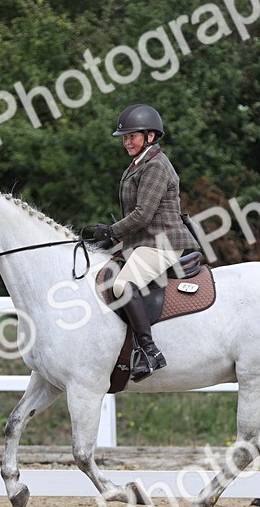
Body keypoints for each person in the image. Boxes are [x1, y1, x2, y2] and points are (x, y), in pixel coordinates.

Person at [85, 104, 200, 381]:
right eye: (124, 137)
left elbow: (143, 214)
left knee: (124, 284)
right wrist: (112, 236)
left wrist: (111, 232)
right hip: (143, 241)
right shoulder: (140, 163)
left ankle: (149, 351)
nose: (126, 142)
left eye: (132, 136)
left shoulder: (157, 165)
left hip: (163, 243)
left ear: (150, 136)